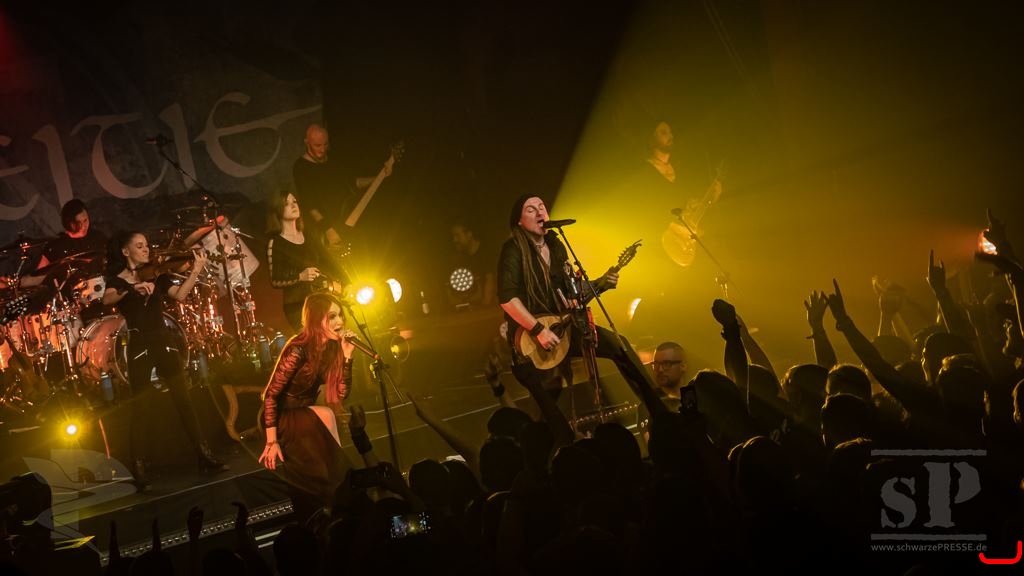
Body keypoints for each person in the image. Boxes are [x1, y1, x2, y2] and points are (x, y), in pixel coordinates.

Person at [497, 194, 656, 411]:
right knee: (550, 401)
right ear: (519, 221)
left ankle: (656, 405)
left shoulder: (556, 244)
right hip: (530, 338)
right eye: (531, 209)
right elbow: (507, 299)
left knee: (620, 346)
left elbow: (571, 290)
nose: (539, 211)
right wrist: (538, 330)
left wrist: (601, 283)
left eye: (542, 206)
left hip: (564, 326)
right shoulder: (513, 250)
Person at [101, 230, 227, 489]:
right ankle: (138, 467)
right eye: (139, 246)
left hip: (164, 342)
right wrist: (133, 288)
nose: (146, 249)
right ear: (126, 251)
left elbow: (179, 295)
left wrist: (196, 269)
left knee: (184, 400)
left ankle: (204, 455)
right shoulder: (117, 280)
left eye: (146, 245)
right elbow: (107, 299)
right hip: (139, 346)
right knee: (141, 407)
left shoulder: (157, 275)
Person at [258, 292, 356, 511]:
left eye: (340, 315)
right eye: (332, 316)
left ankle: (338, 493)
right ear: (316, 319)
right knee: (326, 415)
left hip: (306, 413)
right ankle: (338, 489)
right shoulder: (298, 348)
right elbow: (271, 395)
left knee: (324, 423)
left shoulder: (333, 348)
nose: (339, 321)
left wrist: (348, 357)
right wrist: (271, 442)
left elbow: (341, 393)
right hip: (281, 415)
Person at [291, 123, 392, 247]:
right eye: (317, 145)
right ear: (307, 143)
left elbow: (352, 183)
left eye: (325, 144)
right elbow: (310, 204)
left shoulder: (334, 158)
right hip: (327, 229)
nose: (322, 150)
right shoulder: (301, 167)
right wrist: (328, 229)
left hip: (349, 221)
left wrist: (379, 176)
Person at [266, 190, 349, 332]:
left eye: (295, 202)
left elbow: (329, 260)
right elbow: (275, 280)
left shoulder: (308, 235)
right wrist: (300, 277)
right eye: (287, 204)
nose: (293, 206)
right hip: (298, 307)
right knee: (315, 341)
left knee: (337, 336)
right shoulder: (275, 242)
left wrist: (347, 282)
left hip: (322, 300)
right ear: (278, 209)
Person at [636, 341, 688, 446]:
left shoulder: (696, 396)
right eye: (656, 364)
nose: (659, 369)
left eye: (666, 364)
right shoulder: (647, 406)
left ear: (683, 366)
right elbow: (652, 447)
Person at [445, 222, 497, 310]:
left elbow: (490, 279)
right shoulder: (462, 257)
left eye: (458, 236)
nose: (455, 240)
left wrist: (485, 304)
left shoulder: (486, 253)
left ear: (469, 235)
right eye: (453, 237)